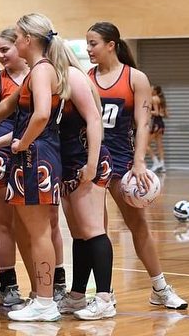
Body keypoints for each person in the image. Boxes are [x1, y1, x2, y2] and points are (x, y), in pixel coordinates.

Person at [86, 21, 187, 310]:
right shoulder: (87, 77)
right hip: (92, 159)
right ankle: (103, 294)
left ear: (111, 45)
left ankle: (160, 288)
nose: (89, 49)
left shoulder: (135, 78)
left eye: (93, 43)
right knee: (96, 230)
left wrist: (139, 162)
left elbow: (144, 124)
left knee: (138, 225)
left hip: (121, 160)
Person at [0, 13, 64, 322]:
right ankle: (41, 297)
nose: (15, 41)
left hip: (36, 156)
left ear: (29, 40)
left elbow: (42, 113)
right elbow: (6, 110)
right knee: (37, 231)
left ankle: (45, 302)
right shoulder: (38, 71)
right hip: (36, 155)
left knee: (38, 232)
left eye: (17, 37)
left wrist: (21, 142)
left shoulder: (43, 71)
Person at [56, 44, 116, 320]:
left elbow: (94, 119)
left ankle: (104, 297)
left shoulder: (74, 77)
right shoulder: (55, 79)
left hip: (86, 162)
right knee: (79, 233)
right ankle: (78, 295)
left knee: (93, 230)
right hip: (69, 165)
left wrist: (91, 164)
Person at [0, 27, 29, 307]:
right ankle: (9, 285)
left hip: (33, 155)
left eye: (5, 49)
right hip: (2, 156)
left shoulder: (39, 73)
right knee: (0, 222)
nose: (1, 56)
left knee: (38, 225)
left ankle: (50, 287)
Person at [147, 85, 168, 172]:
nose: (150, 90)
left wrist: (147, 110)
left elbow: (155, 112)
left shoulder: (154, 98)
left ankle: (156, 162)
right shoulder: (161, 100)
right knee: (160, 146)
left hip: (155, 124)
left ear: (155, 91)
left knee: (145, 144)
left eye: (151, 89)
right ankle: (162, 165)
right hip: (161, 124)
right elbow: (166, 114)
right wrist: (160, 113)